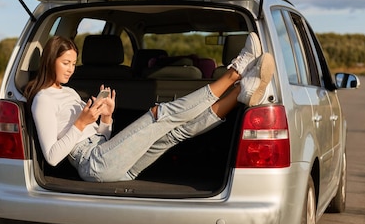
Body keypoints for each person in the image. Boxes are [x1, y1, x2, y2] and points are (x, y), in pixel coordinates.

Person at [25, 33, 274, 182]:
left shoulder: (68, 92)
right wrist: (81, 122)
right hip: (92, 164)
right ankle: (235, 72)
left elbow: (102, 139)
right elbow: (53, 157)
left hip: (108, 159)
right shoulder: (43, 99)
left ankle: (242, 92)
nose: (71, 69)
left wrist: (107, 118)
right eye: (66, 62)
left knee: (173, 133)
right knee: (159, 115)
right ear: (51, 61)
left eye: (73, 63)